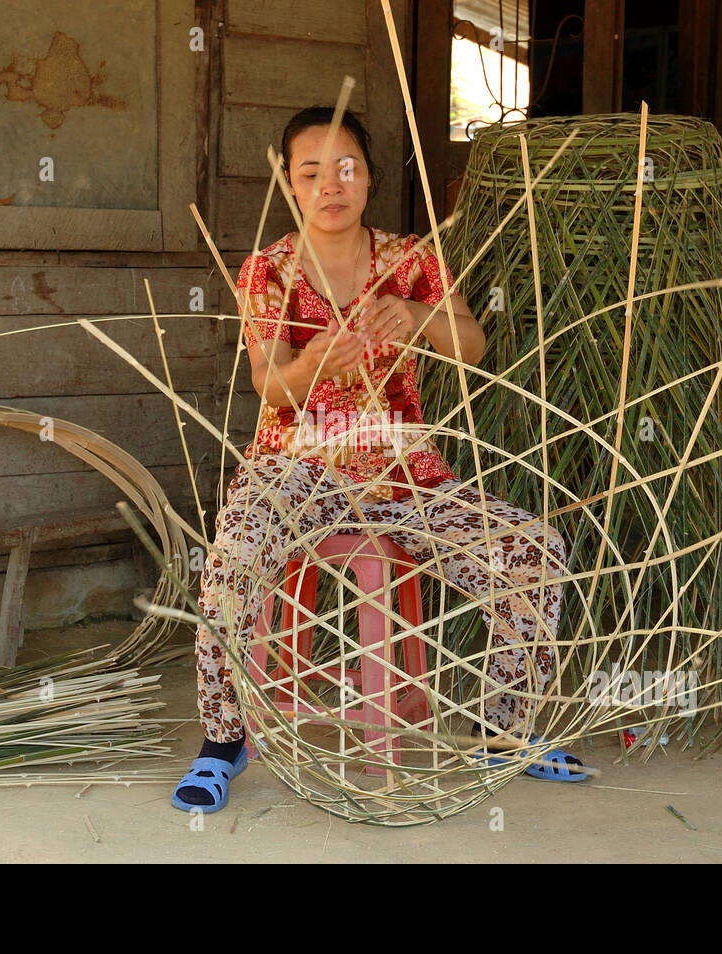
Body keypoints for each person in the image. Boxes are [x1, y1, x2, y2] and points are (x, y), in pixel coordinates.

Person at [172, 107, 586, 814]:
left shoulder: (410, 259)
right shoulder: (267, 269)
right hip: (293, 467)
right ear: (290, 184)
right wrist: (308, 365)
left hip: (402, 471)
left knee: (531, 548)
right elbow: (266, 383)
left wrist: (417, 318)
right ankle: (223, 742)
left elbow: (473, 344)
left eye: (347, 168)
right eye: (312, 172)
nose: (332, 184)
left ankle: (503, 731)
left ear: (367, 177)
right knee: (230, 566)